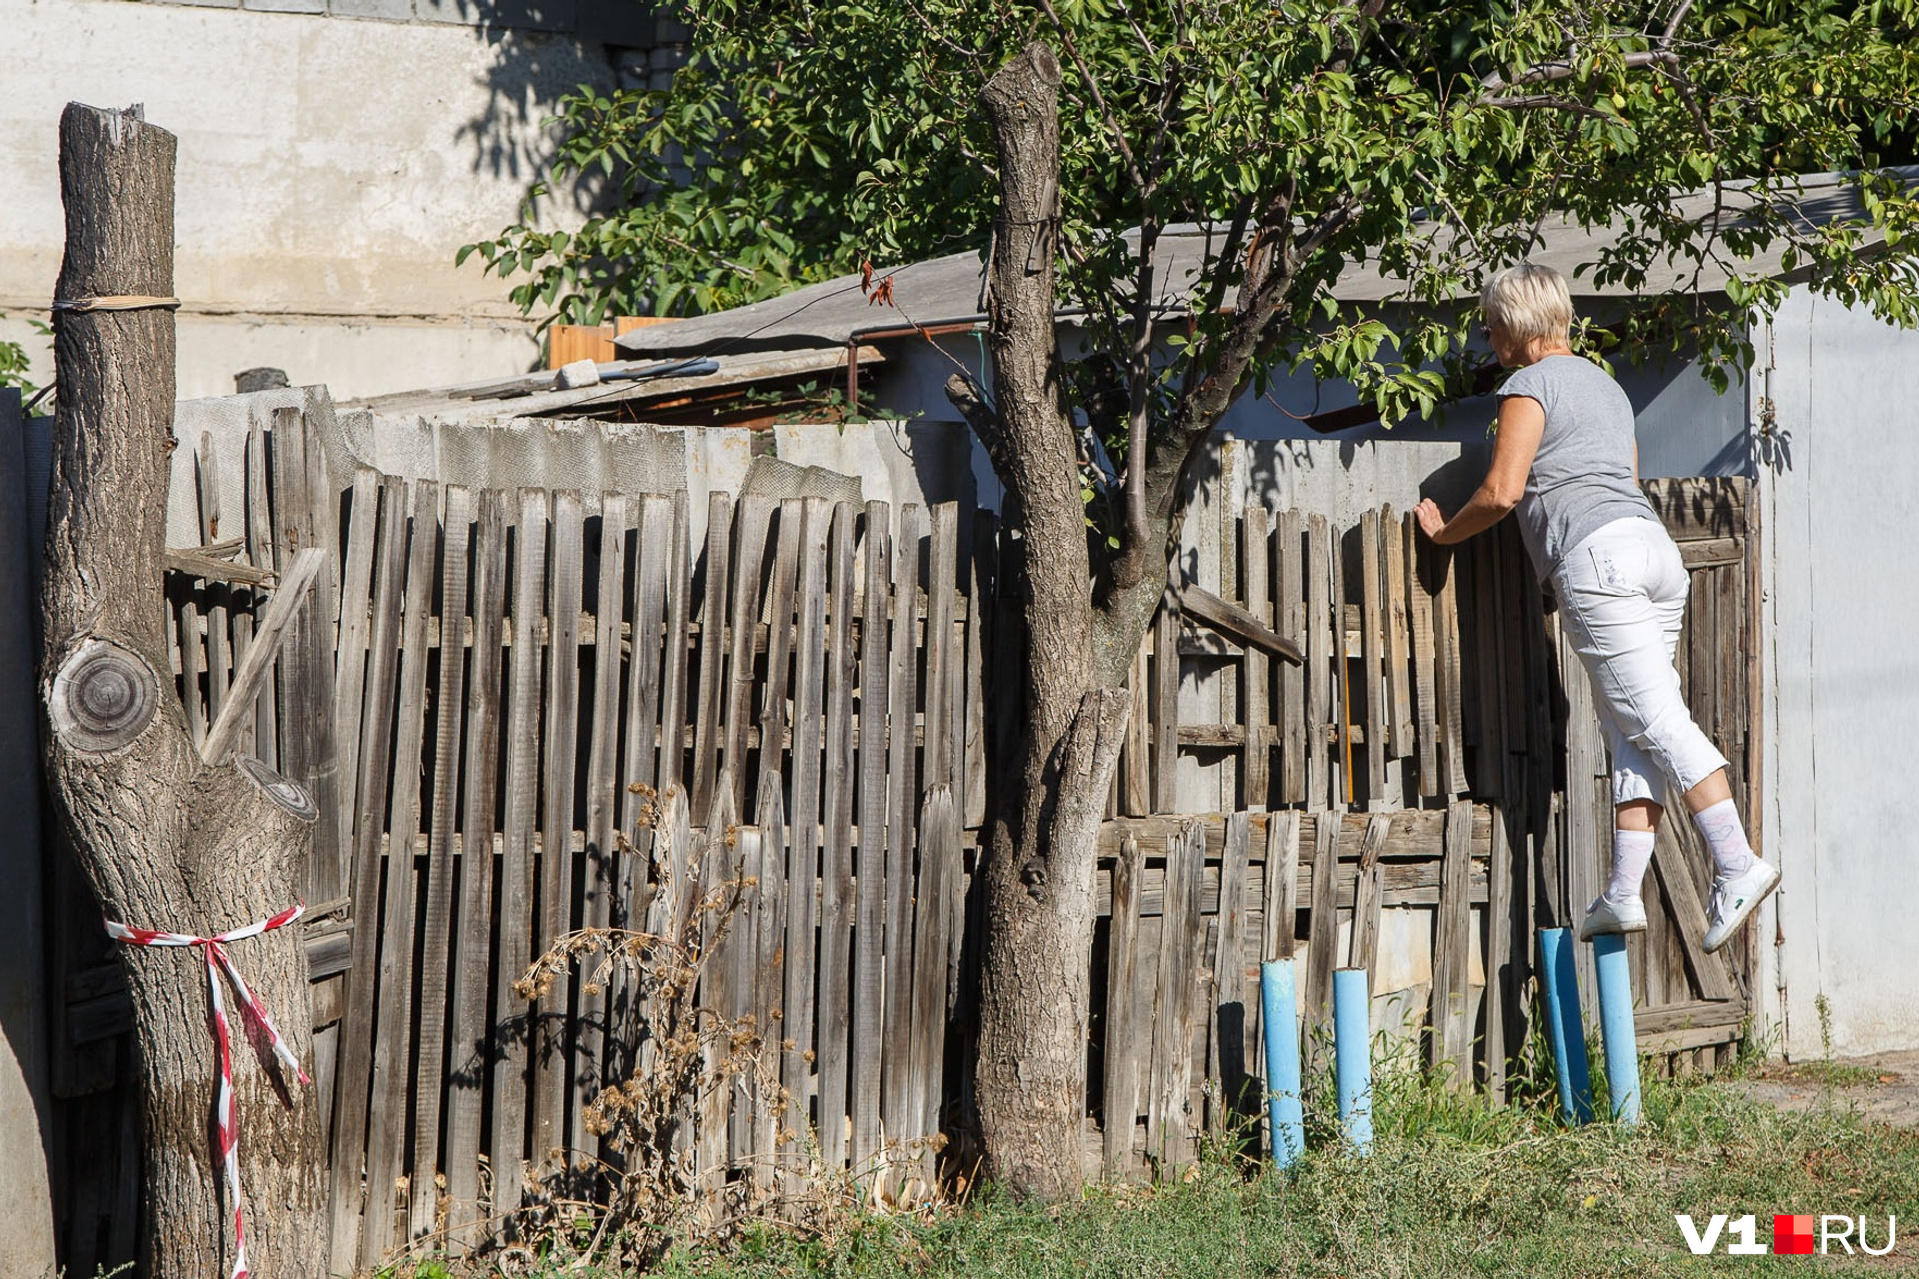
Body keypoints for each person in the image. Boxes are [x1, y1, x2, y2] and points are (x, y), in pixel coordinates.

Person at [1414, 262, 1777, 952]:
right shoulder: (1607, 389)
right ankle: (1620, 893)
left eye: (1491, 322)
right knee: (1628, 729)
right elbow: (1625, 478)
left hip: (1597, 560)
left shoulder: (1526, 384)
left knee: (1657, 721)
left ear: (1518, 325)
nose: (1487, 335)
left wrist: (1442, 533)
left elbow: (1500, 490)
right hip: (1650, 550)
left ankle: (1734, 862)